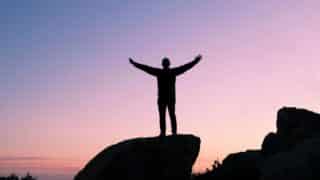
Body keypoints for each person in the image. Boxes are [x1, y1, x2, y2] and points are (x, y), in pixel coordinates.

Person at [129, 55, 202, 136]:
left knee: (170, 115)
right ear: (165, 64)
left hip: (168, 98)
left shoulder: (168, 72)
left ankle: (171, 132)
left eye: (166, 62)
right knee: (165, 115)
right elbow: (146, 68)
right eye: (165, 62)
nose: (165, 64)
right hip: (164, 99)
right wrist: (134, 64)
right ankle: (165, 132)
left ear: (166, 64)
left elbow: (185, 67)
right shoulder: (163, 72)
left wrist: (195, 61)